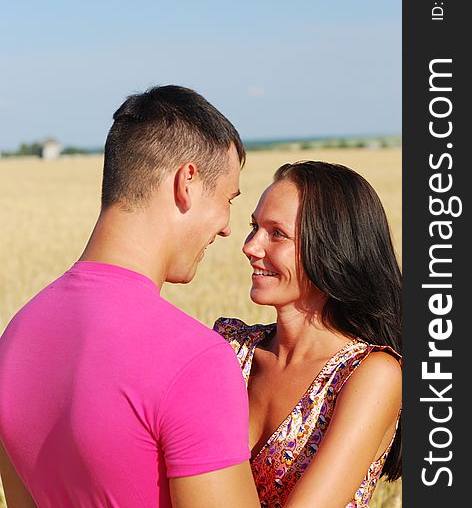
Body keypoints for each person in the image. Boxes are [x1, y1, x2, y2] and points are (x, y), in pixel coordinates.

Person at [0, 85, 260, 508]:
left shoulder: (14, 338)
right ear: (187, 183)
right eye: (227, 198)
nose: (227, 227)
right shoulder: (197, 362)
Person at [214, 160, 402, 508]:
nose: (251, 247)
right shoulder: (229, 347)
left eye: (277, 234)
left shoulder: (369, 375)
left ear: (332, 247)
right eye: (254, 227)